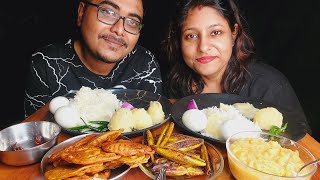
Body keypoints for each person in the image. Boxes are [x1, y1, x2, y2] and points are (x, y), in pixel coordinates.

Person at [163, 0, 307, 116]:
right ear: (179, 41)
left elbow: (300, 147)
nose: (203, 47)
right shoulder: (174, 84)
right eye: (191, 36)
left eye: (215, 32)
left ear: (234, 33)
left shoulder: (269, 88)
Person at [24, 0, 163, 117]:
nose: (119, 30)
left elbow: (152, 131)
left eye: (132, 22)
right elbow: (36, 137)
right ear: (81, 12)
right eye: (108, 12)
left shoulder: (145, 65)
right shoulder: (47, 63)